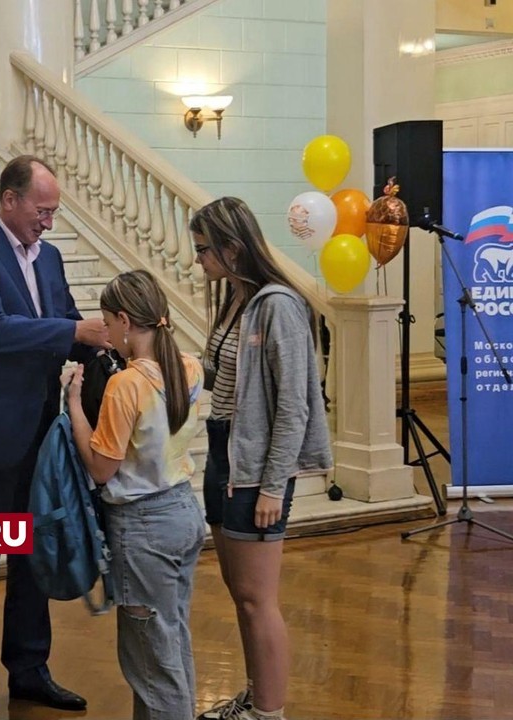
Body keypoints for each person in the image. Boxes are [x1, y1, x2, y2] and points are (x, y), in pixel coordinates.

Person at [0, 154, 108, 720]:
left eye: (54, 212)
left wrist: (113, 345)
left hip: (41, 435)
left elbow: (67, 324)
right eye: (42, 210)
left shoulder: (52, 257)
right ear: (9, 200)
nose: (49, 222)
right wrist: (70, 330)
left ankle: (29, 671)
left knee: (35, 561)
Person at [189, 198, 332, 720]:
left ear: (233, 246)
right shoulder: (236, 299)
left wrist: (274, 485)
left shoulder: (278, 305)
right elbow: (218, 371)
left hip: (256, 466)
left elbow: (294, 403)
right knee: (239, 593)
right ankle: (256, 697)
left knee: (256, 598)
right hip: (224, 451)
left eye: (205, 249)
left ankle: (270, 713)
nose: (199, 259)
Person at [66, 269, 207, 720]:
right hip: (183, 510)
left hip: (143, 526)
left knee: (150, 663)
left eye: (108, 323)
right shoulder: (190, 365)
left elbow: (102, 468)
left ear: (125, 321)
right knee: (171, 639)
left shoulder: (126, 385)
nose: (105, 333)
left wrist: (73, 407)